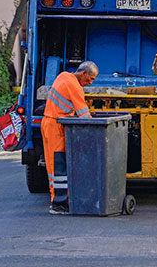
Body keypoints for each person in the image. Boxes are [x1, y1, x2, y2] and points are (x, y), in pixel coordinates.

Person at [41, 61, 98, 215]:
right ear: (84, 73)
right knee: (58, 165)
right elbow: (84, 115)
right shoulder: (75, 87)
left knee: (52, 165)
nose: (90, 83)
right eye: (91, 79)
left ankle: (58, 198)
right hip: (56, 126)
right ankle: (58, 203)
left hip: (48, 122)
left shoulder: (63, 75)